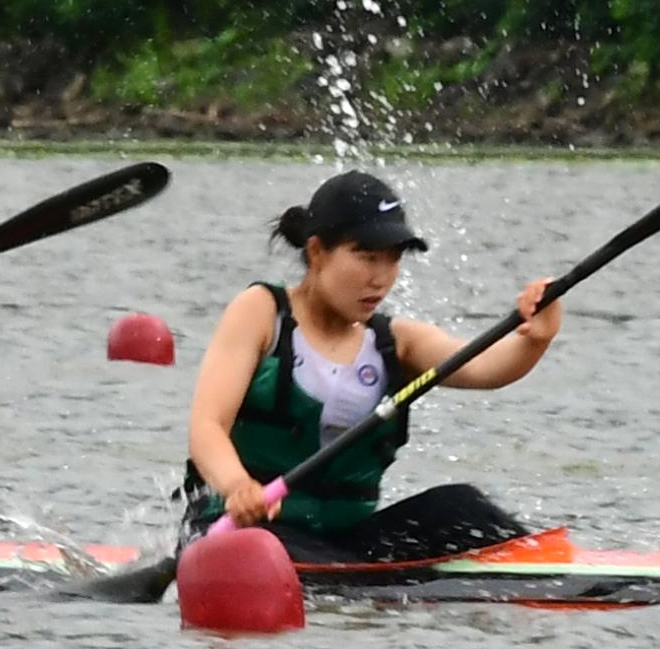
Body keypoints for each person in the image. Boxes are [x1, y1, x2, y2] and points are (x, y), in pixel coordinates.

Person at [183, 169, 563, 566]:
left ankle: (548, 573)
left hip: (346, 545)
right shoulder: (261, 312)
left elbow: (488, 366)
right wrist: (237, 486)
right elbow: (206, 427)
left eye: (392, 260)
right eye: (366, 257)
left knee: (463, 506)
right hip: (241, 533)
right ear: (316, 252)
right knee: (268, 549)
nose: (380, 278)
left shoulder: (396, 342)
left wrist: (536, 336)